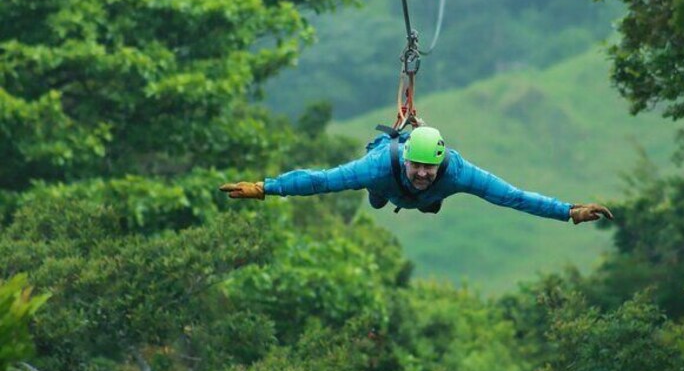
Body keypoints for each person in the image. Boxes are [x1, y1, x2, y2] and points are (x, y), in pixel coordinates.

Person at [219, 126, 613, 224]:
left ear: (441, 163)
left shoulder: (456, 172)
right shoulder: (381, 165)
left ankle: (418, 200)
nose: (424, 172)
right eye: (418, 165)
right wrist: (264, 188)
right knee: (372, 186)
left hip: (421, 199)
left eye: (430, 167)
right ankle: (382, 193)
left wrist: (568, 211)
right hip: (384, 182)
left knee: (428, 201)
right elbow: (320, 180)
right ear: (406, 158)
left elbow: (512, 196)